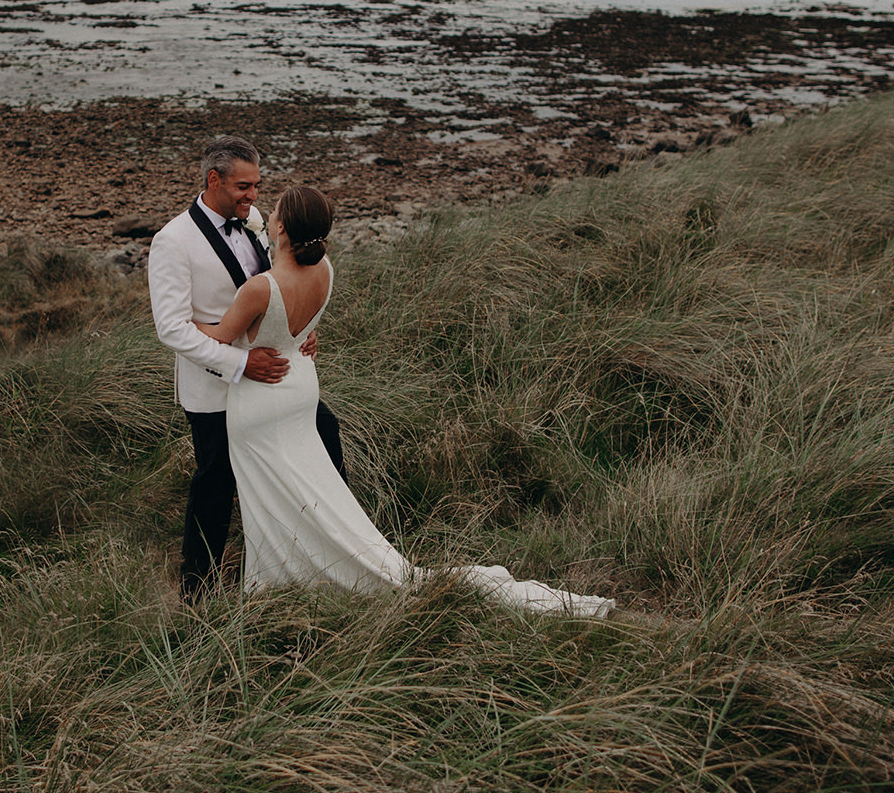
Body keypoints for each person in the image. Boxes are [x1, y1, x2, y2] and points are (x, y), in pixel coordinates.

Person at [194, 184, 615, 617]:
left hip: (261, 402)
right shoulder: (326, 272)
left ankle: (291, 578)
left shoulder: (260, 288)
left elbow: (220, 337)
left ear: (279, 227)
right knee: (312, 487)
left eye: (275, 210)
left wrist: (183, 319)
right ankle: (316, 563)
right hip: (301, 388)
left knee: (274, 494)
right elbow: (298, 327)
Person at [148, 136, 345, 599]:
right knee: (216, 480)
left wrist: (297, 330)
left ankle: (330, 548)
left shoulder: (255, 222)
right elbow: (172, 330)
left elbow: (282, 286)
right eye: (243, 186)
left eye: (257, 185)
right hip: (214, 386)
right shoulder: (173, 241)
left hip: (272, 379)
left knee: (324, 437)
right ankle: (197, 589)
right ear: (213, 180)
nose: (253, 196)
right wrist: (240, 363)